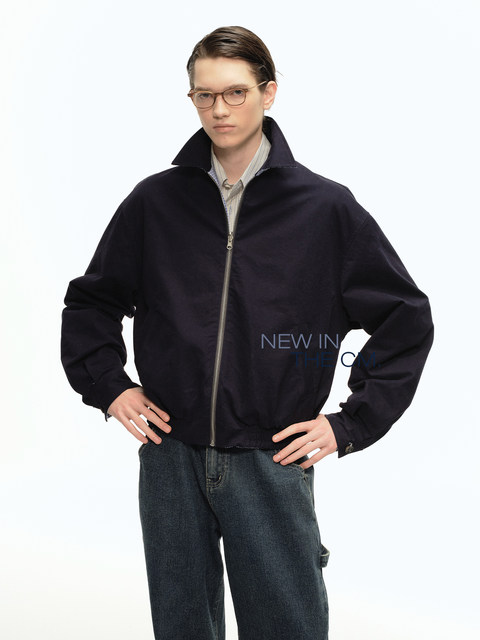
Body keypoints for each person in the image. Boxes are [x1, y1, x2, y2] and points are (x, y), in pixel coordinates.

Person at [61, 25, 434, 640]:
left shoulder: (325, 209)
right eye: (204, 95)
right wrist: (109, 385)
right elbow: (91, 302)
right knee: (181, 628)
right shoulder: (155, 202)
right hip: (170, 456)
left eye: (235, 92)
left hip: (271, 456)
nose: (219, 110)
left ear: (268, 92)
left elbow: (405, 318)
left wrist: (350, 423)